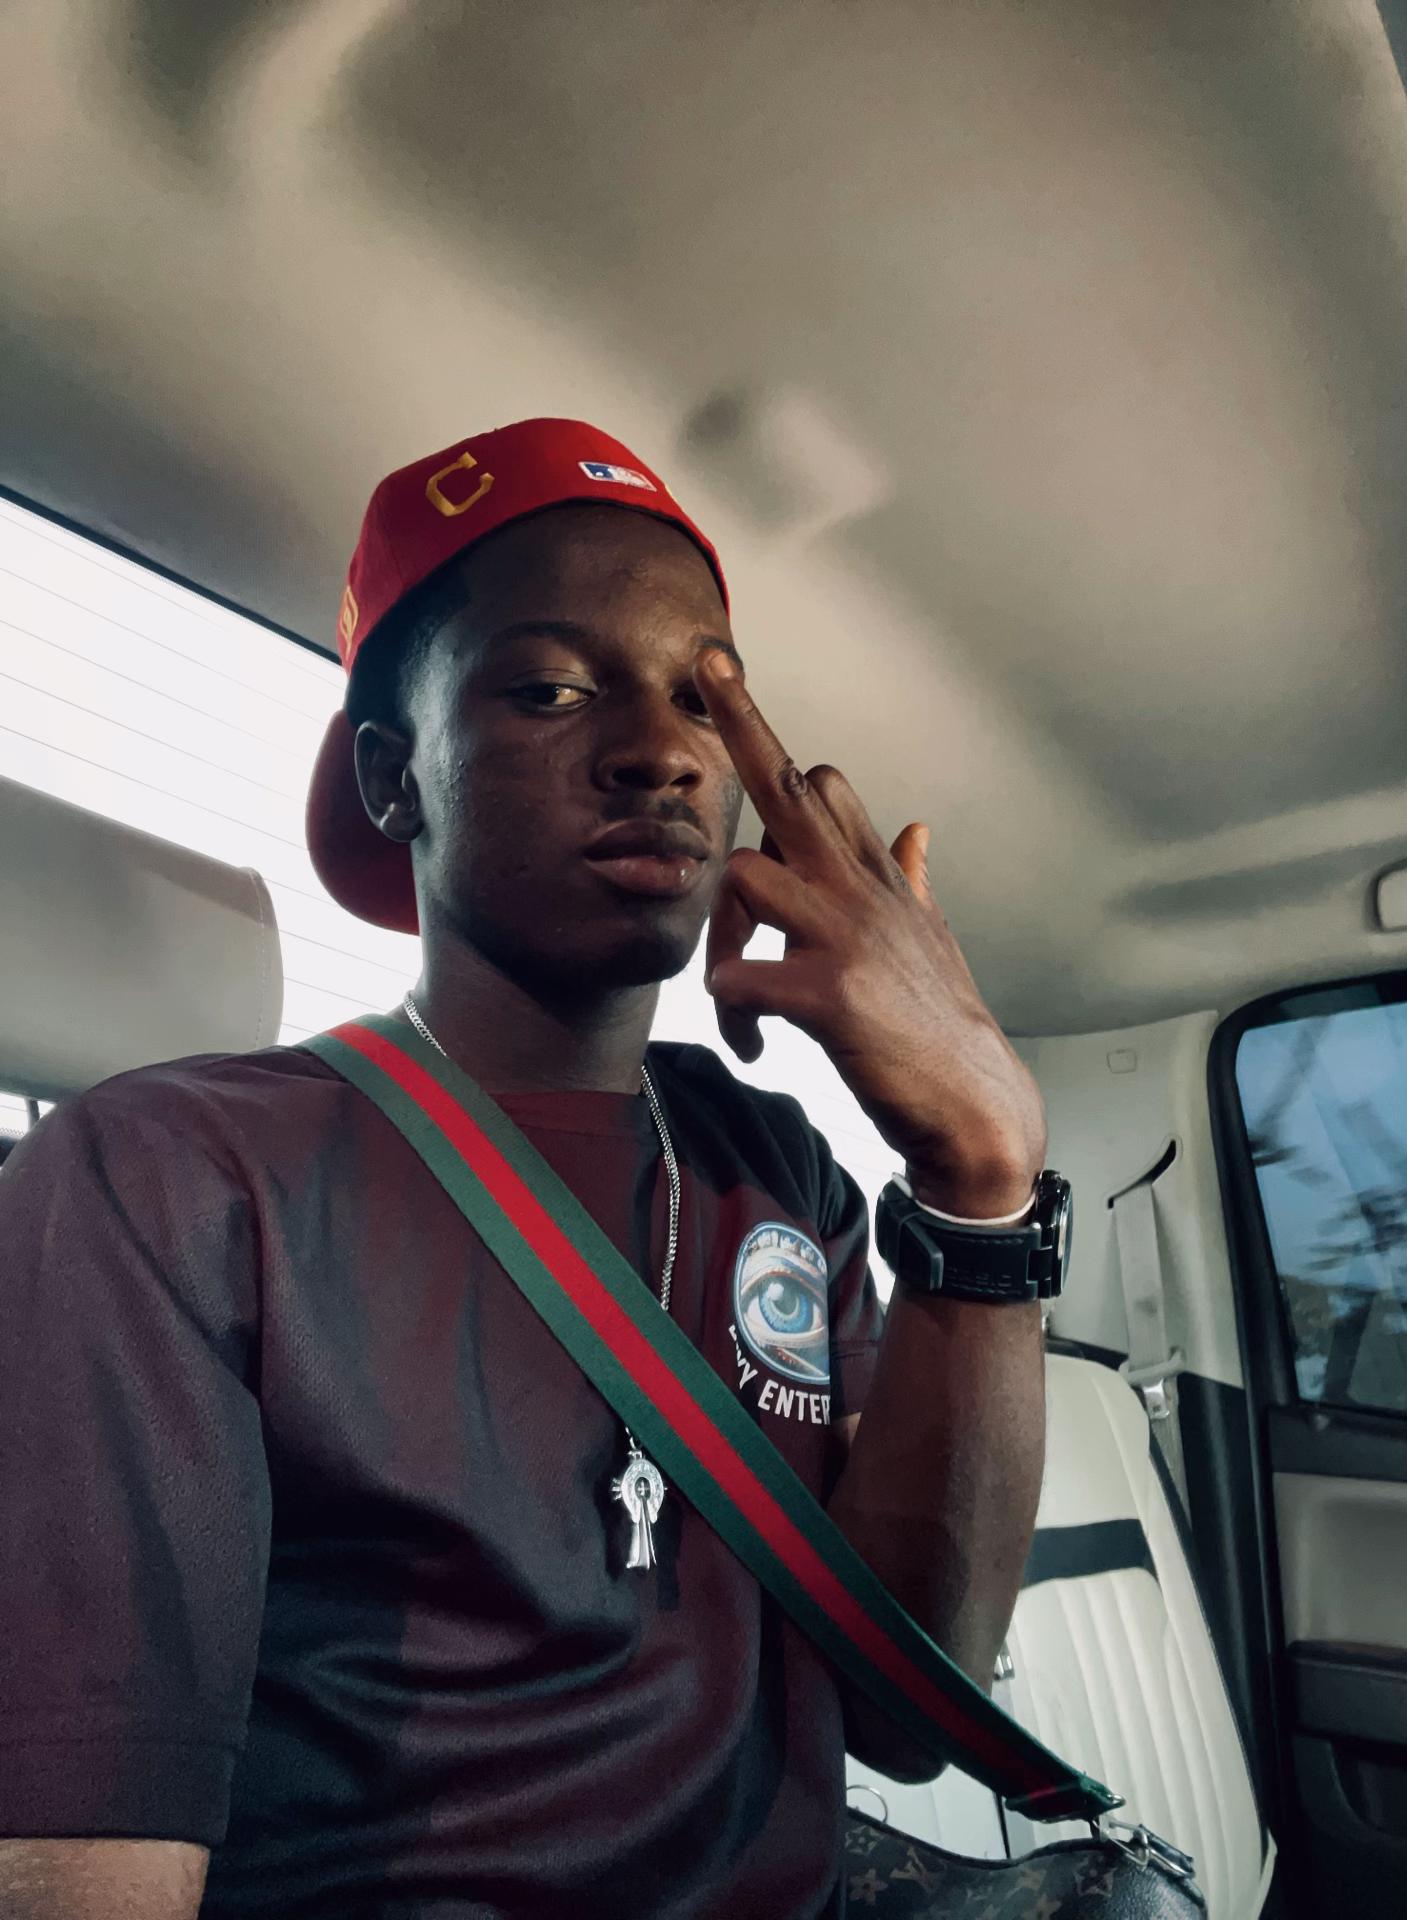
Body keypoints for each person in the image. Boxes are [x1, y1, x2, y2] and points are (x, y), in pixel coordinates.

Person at [0, 418, 1050, 1919]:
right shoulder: (170, 1175)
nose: (662, 751)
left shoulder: (775, 1165)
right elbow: (90, 1863)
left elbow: (902, 1712)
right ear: (394, 778)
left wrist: (982, 1180)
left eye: (705, 700)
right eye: (552, 689)